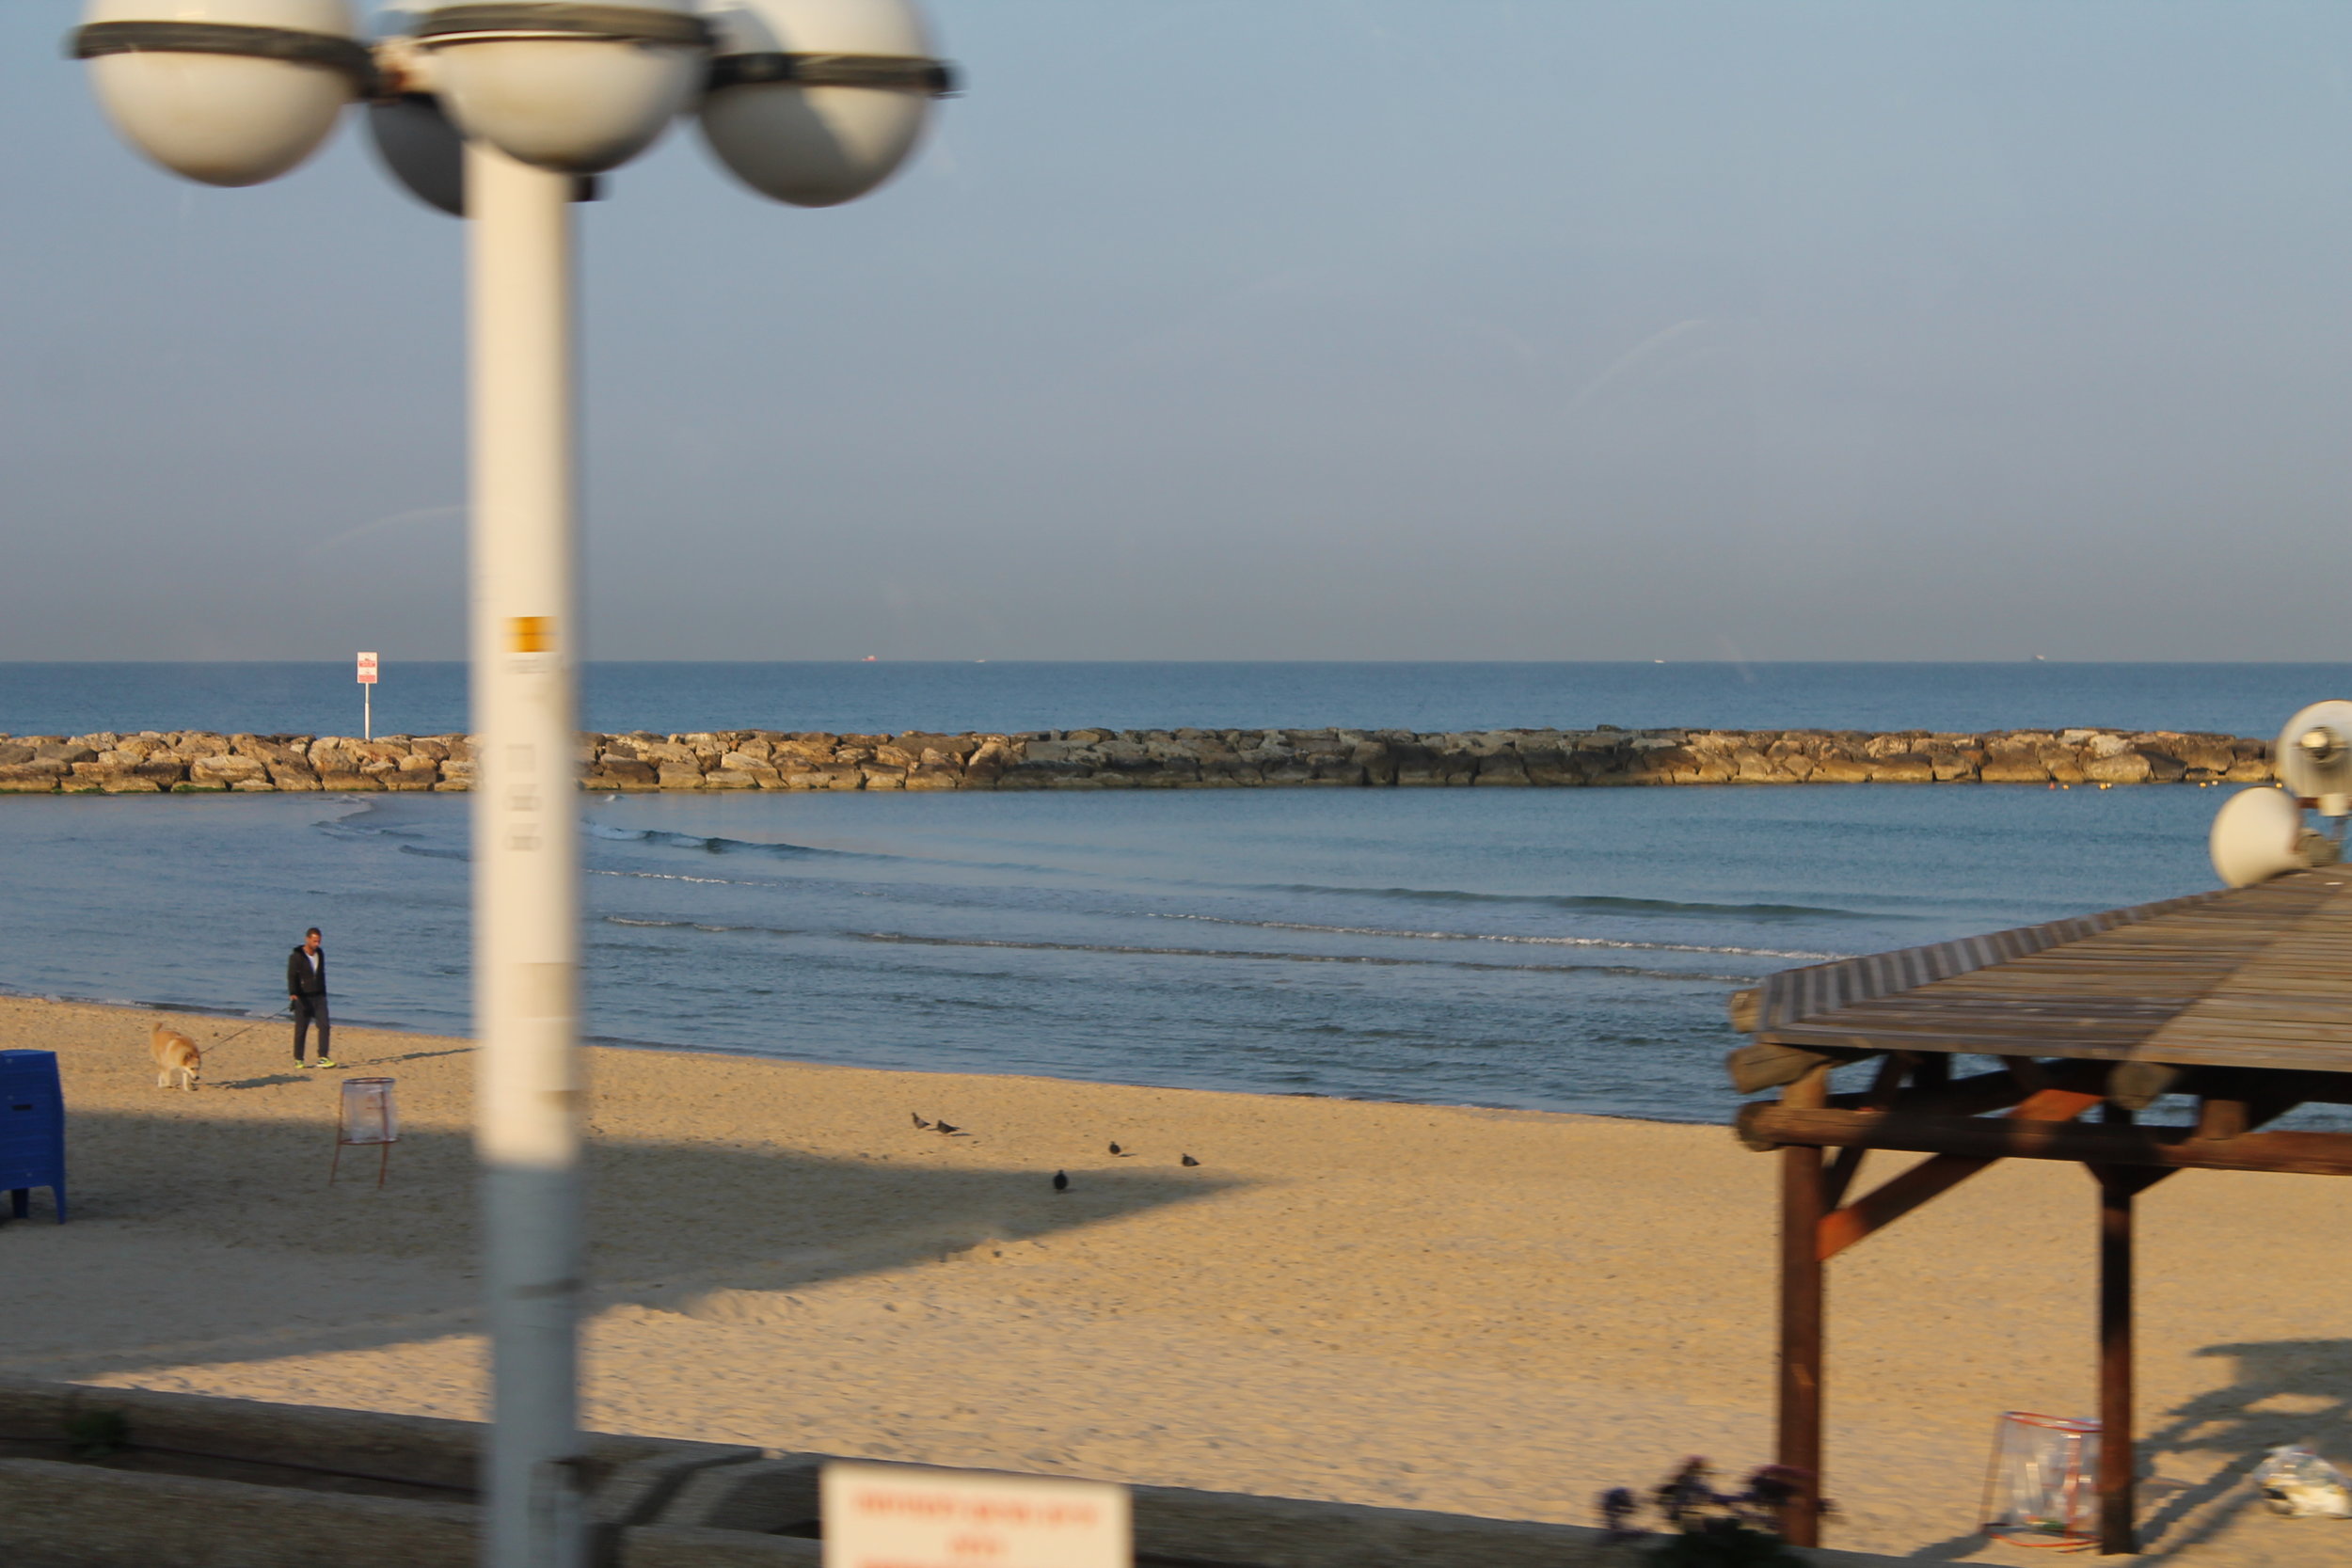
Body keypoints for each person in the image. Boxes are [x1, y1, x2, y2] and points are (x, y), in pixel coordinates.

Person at [287, 927, 338, 1069]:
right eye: (315, 941)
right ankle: (298, 1058)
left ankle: (323, 1057)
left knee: (324, 1026)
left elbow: (321, 974)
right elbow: (292, 976)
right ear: (308, 939)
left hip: (319, 996)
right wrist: (293, 992)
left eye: (319, 941)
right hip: (303, 997)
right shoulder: (296, 956)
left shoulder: (320, 954)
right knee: (301, 1028)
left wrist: (323, 992)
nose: (317, 944)